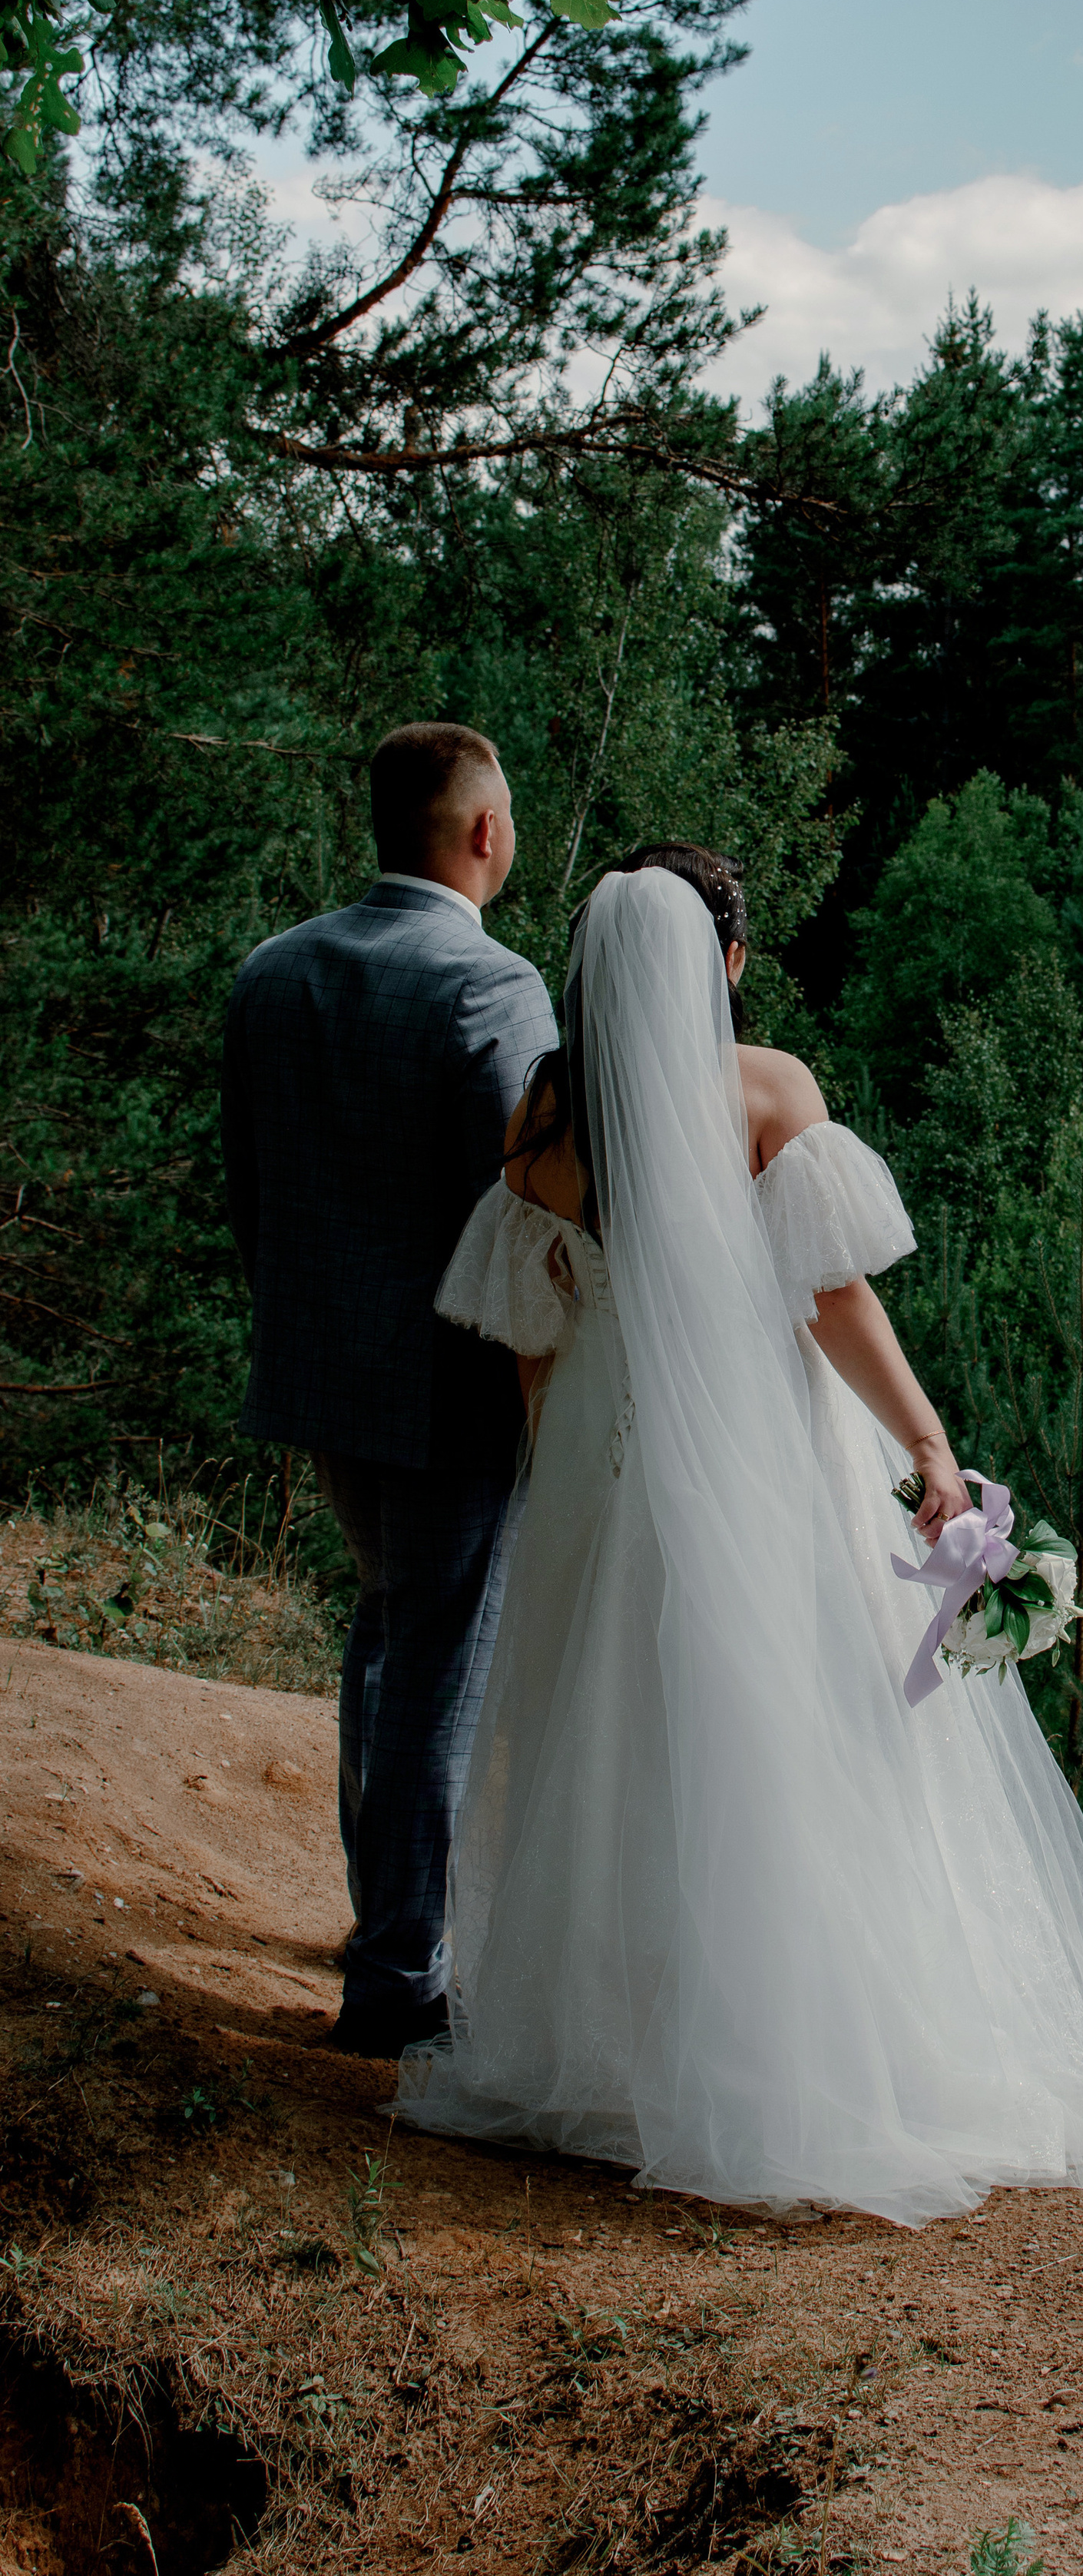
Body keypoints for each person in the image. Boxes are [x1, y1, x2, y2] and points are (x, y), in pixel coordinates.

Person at [399, 849, 1083, 2223]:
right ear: (729, 963)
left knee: (617, 1736)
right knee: (792, 1729)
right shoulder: (766, 1090)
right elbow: (831, 1303)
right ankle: (788, 2046)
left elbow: (536, 1348)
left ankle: (610, 2053)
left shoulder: (544, 1112)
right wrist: (930, 1442)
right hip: (762, 1449)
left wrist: (563, 1475)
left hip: (601, 1454)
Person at [220, 724, 558, 2057]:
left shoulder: (272, 971)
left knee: (387, 1632)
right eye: (510, 811)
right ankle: (401, 1974)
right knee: (438, 1661)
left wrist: (302, 1325)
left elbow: (254, 1189)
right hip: (451, 1386)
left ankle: (387, 1923)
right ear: (482, 832)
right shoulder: (493, 988)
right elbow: (522, 1210)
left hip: (320, 1368)